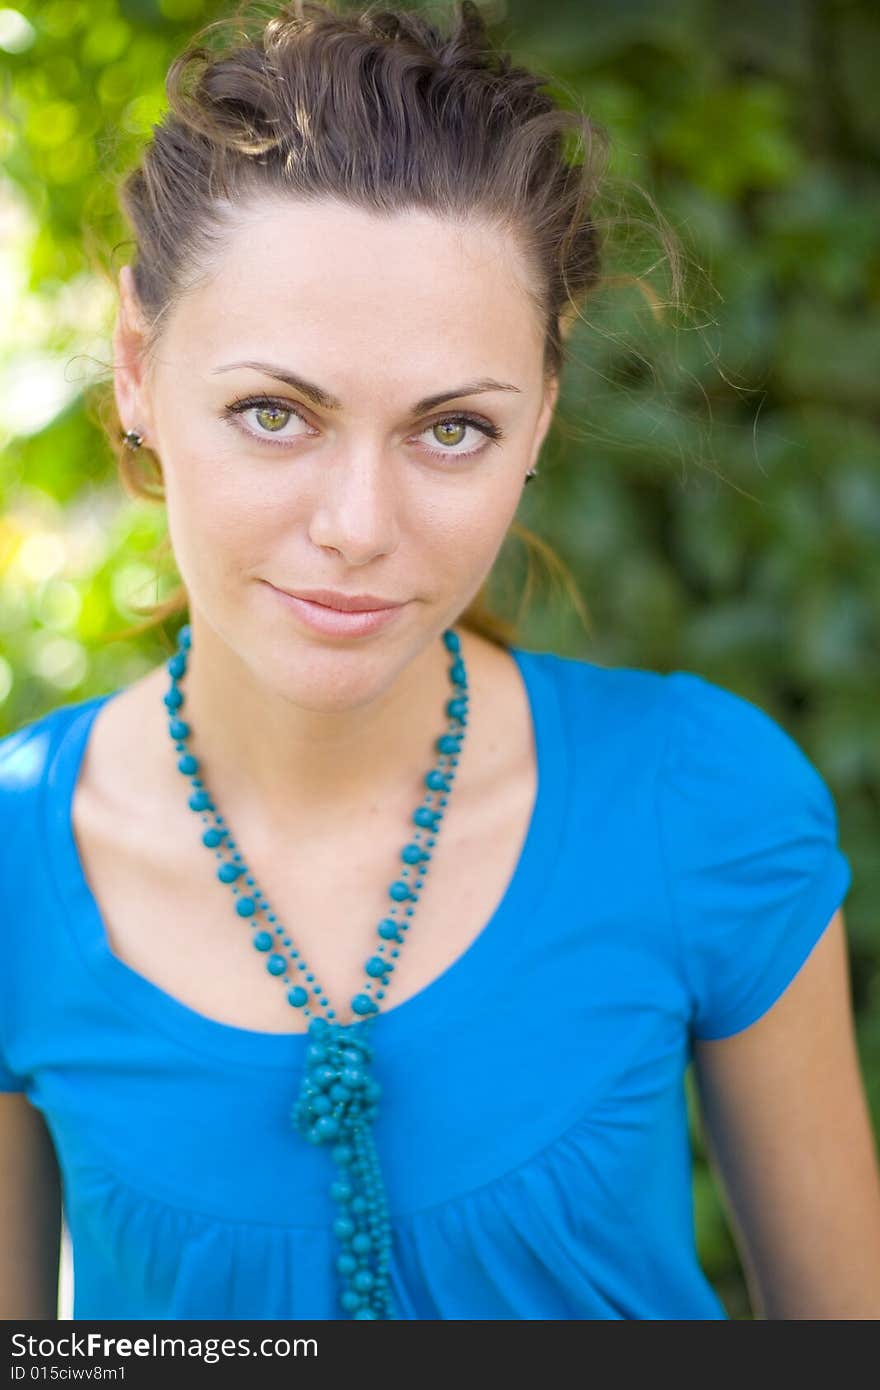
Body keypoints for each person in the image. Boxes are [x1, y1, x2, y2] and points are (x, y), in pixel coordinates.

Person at [2, 0, 879, 1323]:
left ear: (542, 415)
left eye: (451, 429)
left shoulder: (702, 800)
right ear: (136, 368)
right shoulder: (17, 859)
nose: (358, 525)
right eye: (272, 412)